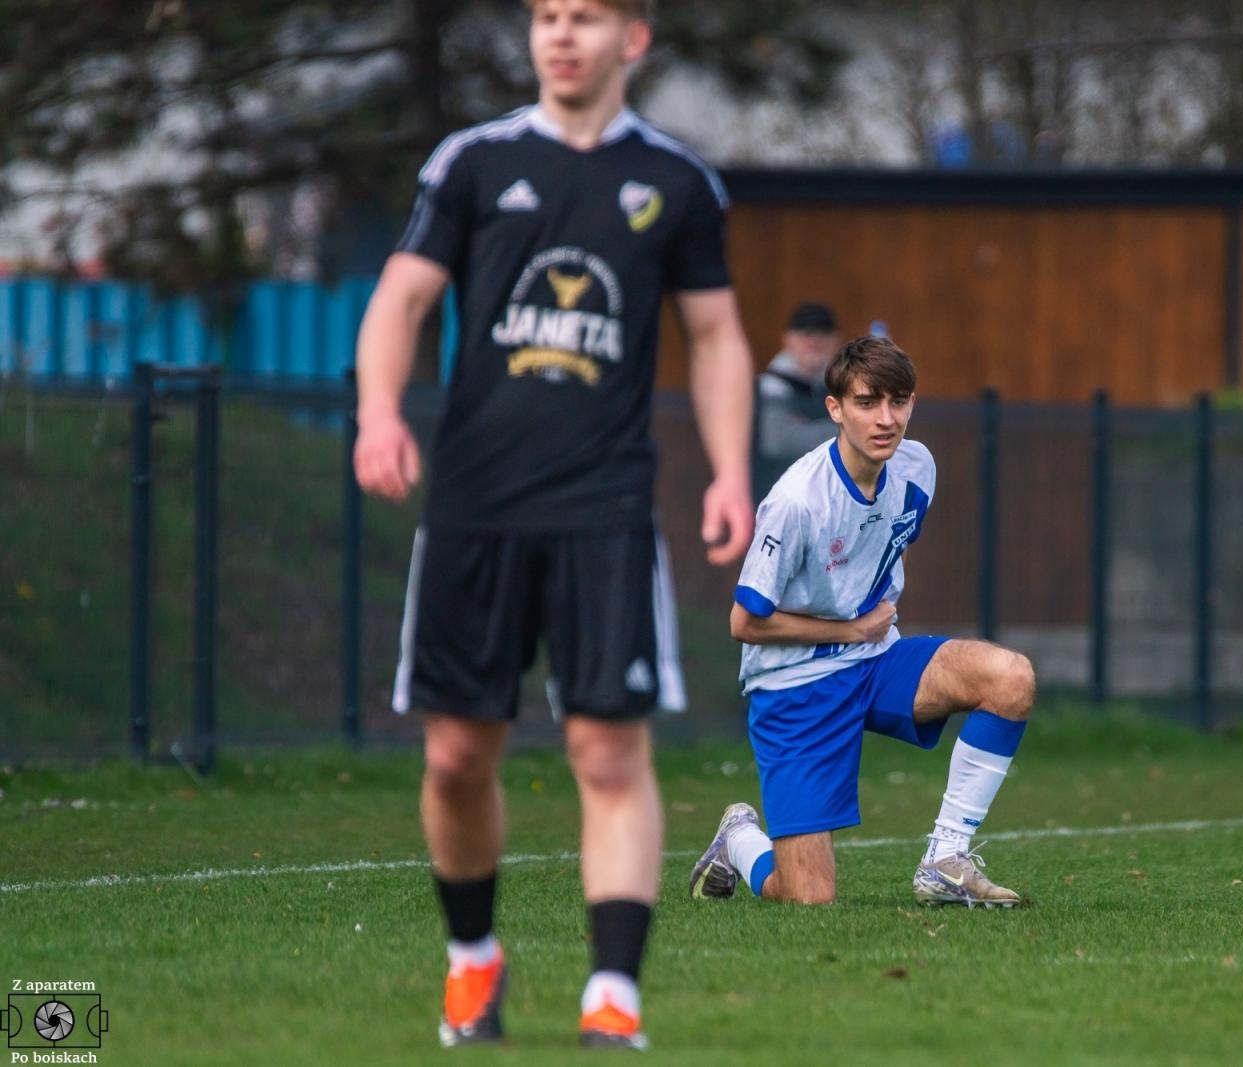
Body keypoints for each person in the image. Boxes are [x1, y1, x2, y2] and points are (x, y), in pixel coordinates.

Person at [352, 0, 754, 1050]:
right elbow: (400, 301)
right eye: (545, 15)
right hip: (475, 509)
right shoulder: (473, 163)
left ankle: (611, 993)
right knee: (454, 755)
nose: (560, 34)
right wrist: (380, 412)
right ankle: (472, 965)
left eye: (584, 16)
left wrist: (729, 473)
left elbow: (714, 337)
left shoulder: (675, 182)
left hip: (603, 509)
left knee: (609, 752)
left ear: (634, 37)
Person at [688, 336, 1035, 909]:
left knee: (1010, 677)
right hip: (792, 685)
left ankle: (945, 860)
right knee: (806, 898)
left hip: (874, 661)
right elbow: (744, 623)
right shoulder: (797, 501)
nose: (885, 418)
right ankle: (740, 840)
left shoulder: (917, 467)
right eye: (868, 402)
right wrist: (849, 629)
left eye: (898, 402)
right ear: (835, 409)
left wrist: (863, 634)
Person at [753, 302, 841, 496]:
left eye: (823, 333)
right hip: (777, 497)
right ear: (787, 339)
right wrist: (845, 430)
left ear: (836, 341)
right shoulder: (770, 387)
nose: (814, 341)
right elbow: (778, 442)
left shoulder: (842, 386)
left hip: (829, 499)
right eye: (806, 333)